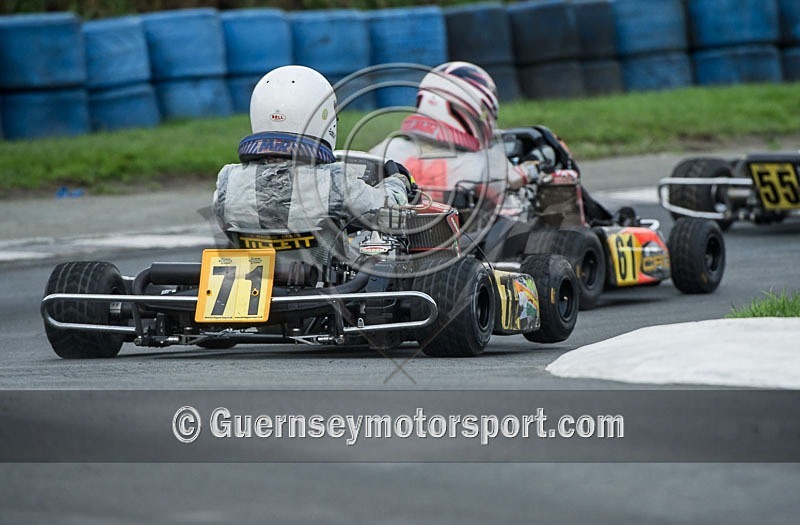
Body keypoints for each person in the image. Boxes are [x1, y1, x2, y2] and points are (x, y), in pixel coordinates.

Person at [212, 65, 414, 269]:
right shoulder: (334, 181)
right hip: (323, 290)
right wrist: (397, 181)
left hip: (250, 280)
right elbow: (386, 212)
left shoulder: (227, 180)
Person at [369, 61, 537, 216]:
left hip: (393, 241)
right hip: (464, 243)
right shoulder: (485, 163)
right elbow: (517, 213)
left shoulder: (388, 149)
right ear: (466, 110)